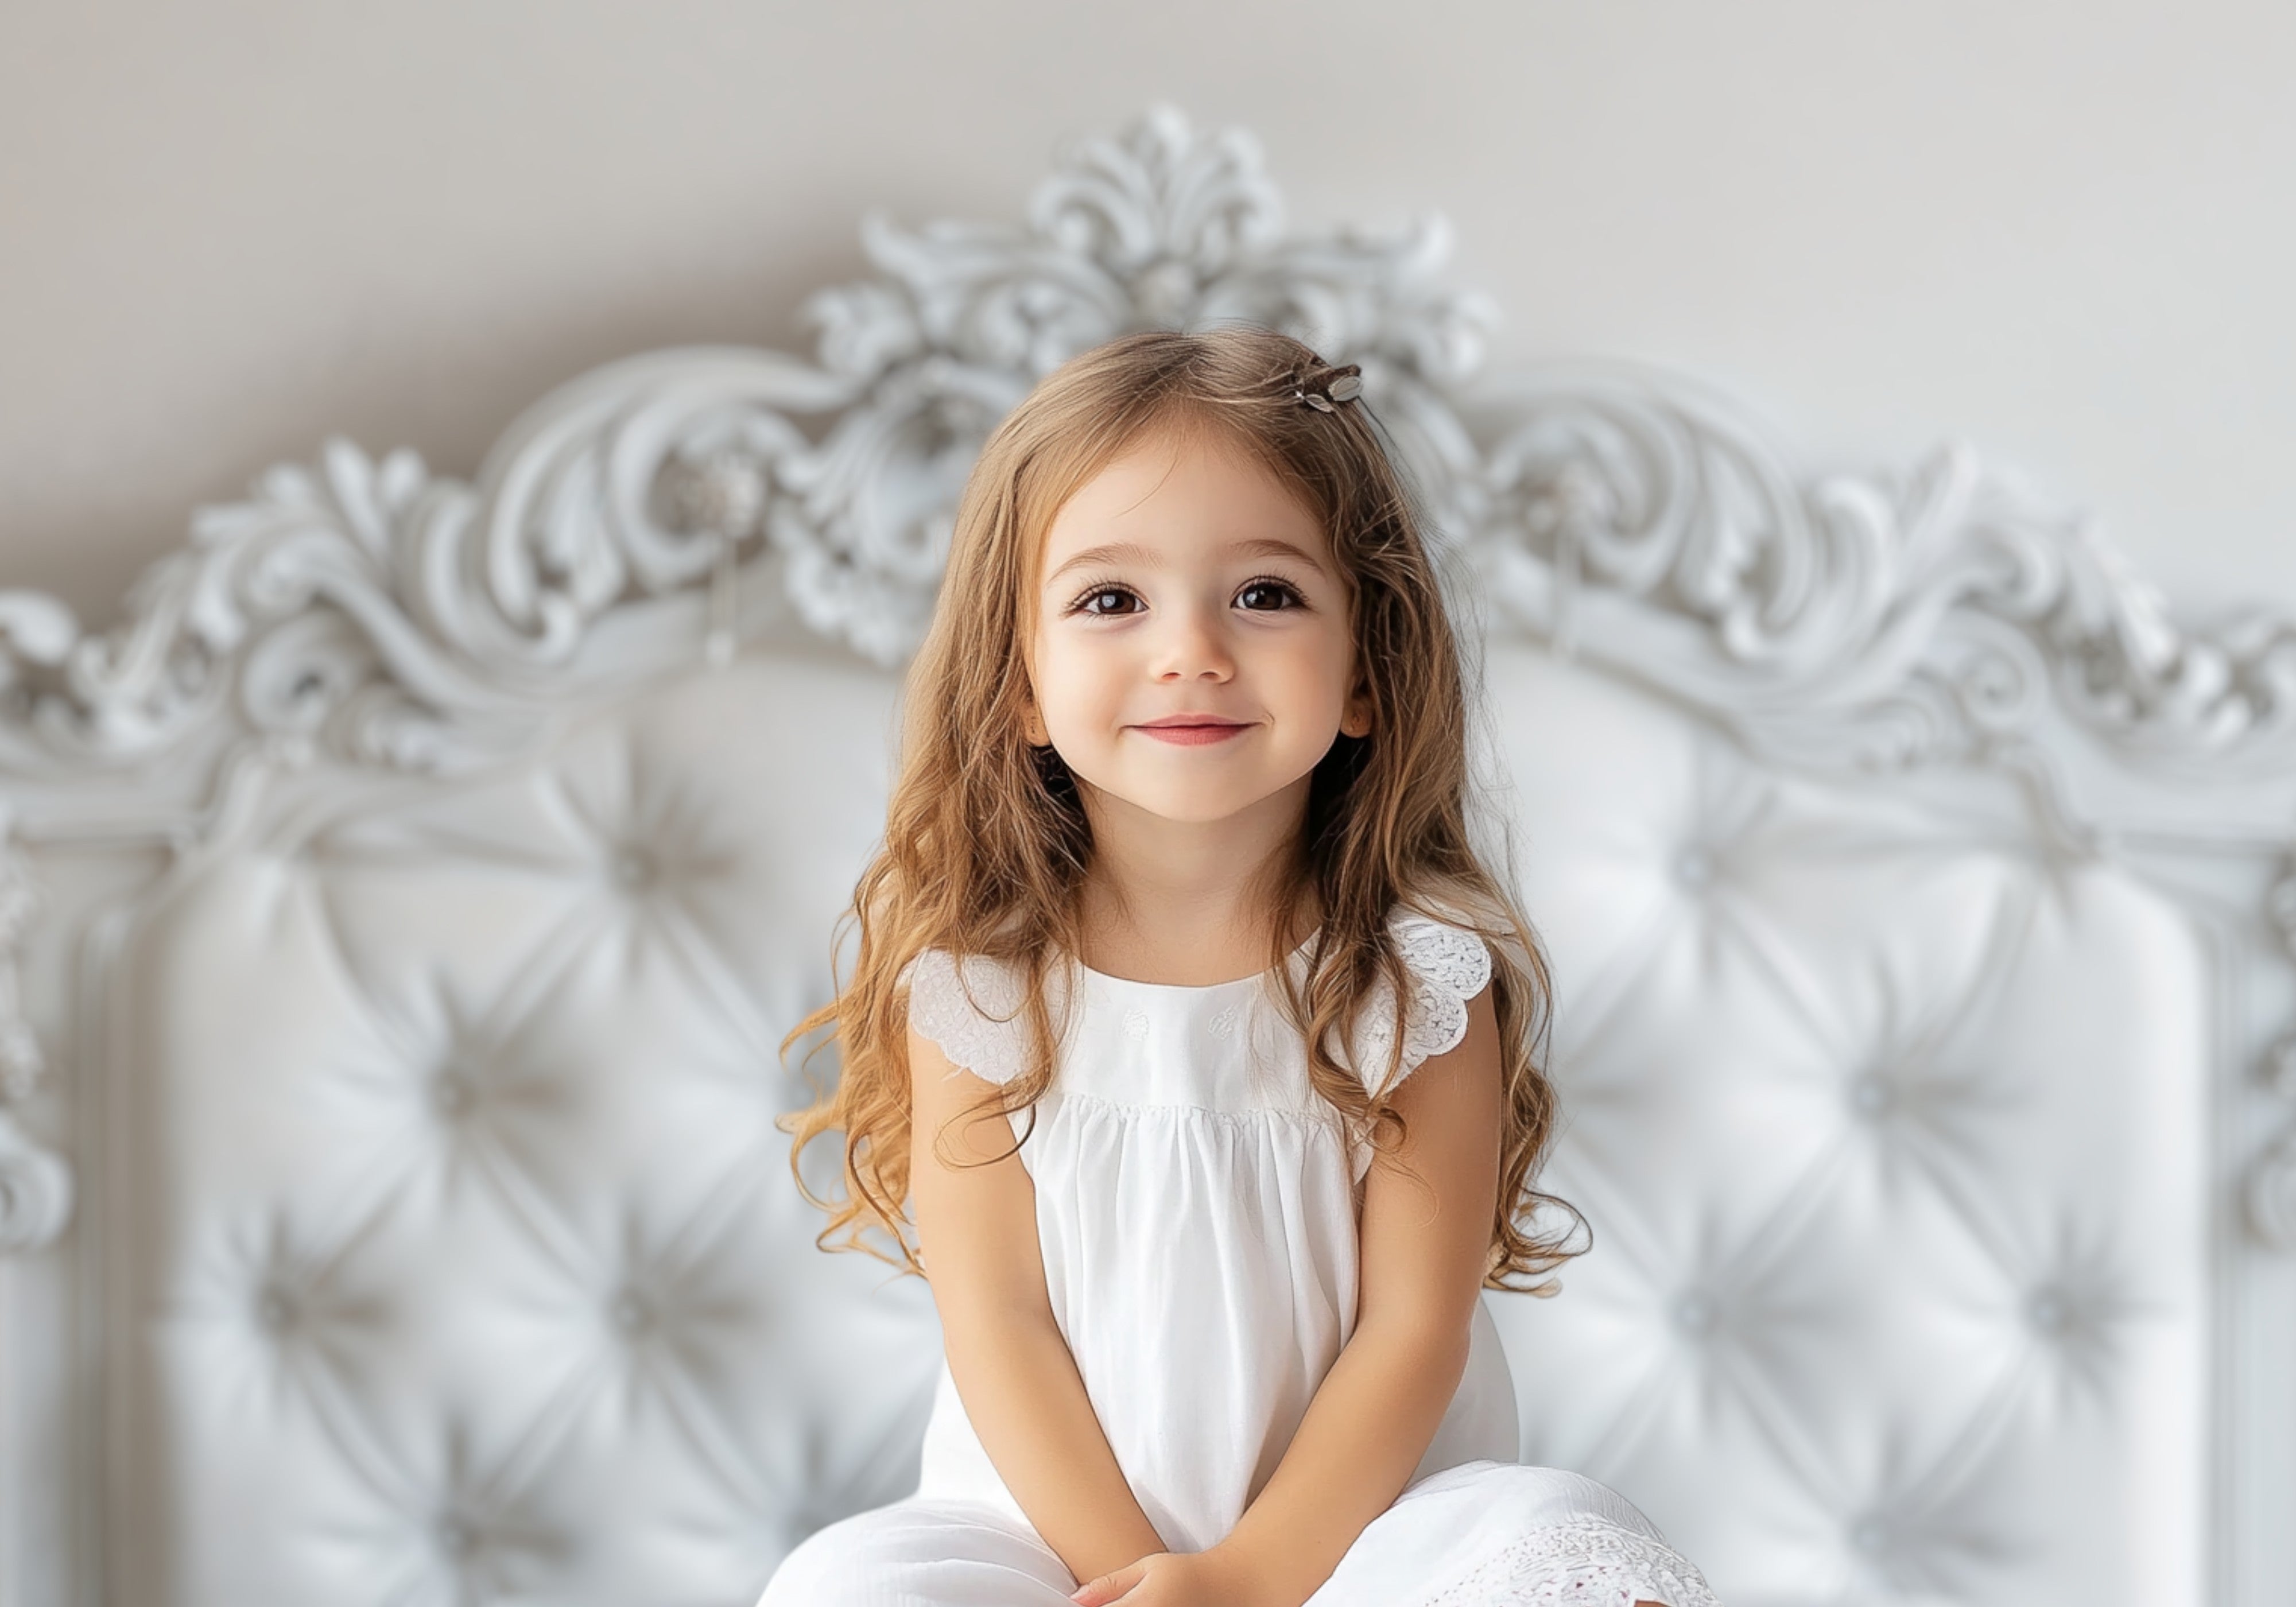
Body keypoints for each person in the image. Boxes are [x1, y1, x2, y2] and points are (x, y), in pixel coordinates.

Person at [761, 325, 1719, 1606]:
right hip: (1052, 1544)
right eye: (1111, 599)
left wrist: (1246, 1582)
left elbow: (1411, 1331)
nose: (1190, 650)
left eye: (1263, 593)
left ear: (1366, 669)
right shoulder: (979, 989)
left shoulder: (1416, 982)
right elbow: (1001, 1328)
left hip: (1361, 1537)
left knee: (1562, 1536)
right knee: (848, 1584)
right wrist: (1141, 1584)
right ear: (1022, 688)